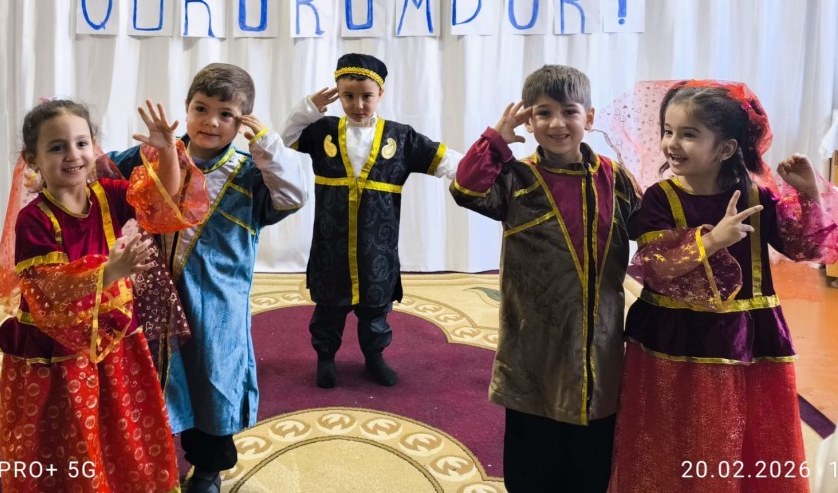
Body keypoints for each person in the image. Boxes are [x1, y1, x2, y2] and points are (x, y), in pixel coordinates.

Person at [607, 80, 838, 493]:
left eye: (688, 134)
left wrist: (808, 193)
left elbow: (807, 247)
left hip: (746, 341)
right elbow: (656, 263)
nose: (671, 143)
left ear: (726, 149)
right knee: (670, 433)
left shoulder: (755, 196)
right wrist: (712, 240)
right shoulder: (660, 197)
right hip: (671, 339)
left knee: (737, 436)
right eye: (668, 131)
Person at [110, 63, 307, 493]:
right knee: (150, 378)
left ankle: (207, 470)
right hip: (150, 296)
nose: (211, 122)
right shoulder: (154, 154)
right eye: (201, 108)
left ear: (242, 122)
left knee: (212, 383)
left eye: (226, 114)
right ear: (187, 108)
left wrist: (268, 145)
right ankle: (150, 463)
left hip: (217, 304)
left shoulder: (250, 172)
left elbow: (292, 196)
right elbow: (100, 173)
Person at [0, 98, 206, 493]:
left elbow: (161, 200)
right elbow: (48, 287)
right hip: (61, 350)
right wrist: (110, 272)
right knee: (72, 426)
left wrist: (166, 151)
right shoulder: (34, 219)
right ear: (33, 159)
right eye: (57, 147)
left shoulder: (109, 194)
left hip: (117, 337)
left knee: (120, 417)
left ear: (94, 147)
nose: (72, 155)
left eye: (81, 143)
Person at [449, 64, 641, 493]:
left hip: (599, 350)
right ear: (529, 121)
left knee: (590, 469)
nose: (557, 123)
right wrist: (495, 141)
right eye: (543, 113)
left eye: (569, 111)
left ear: (589, 117)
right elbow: (466, 189)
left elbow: (651, 230)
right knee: (533, 467)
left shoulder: (614, 178)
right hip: (533, 350)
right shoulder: (517, 178)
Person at [281, 53, 459, 389]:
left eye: (366, 96)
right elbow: (286, 138)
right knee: (329, 308)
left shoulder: (401, 137)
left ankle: (375, 356)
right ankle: (325, 357)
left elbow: (446, 160)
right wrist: (308, 108)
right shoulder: (323, 132)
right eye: (348, 96)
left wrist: (485, 167)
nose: (358, 104)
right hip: (332, 243)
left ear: (381, 94)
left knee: (376, 309)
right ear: (338, 94)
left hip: (378, 247)